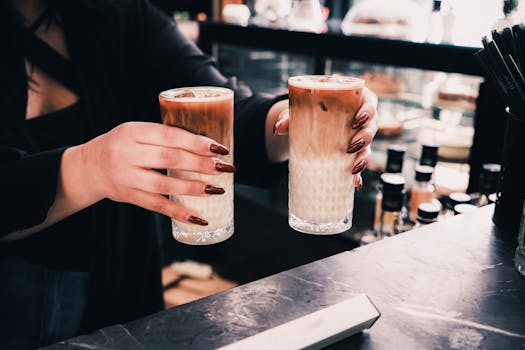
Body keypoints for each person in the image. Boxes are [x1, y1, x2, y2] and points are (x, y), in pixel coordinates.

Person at [0, 0, 378, 348]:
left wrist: (297, 124)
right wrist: (88, 168)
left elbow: (224, 107)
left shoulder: (115, 12)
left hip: (122, 277)